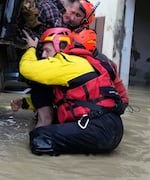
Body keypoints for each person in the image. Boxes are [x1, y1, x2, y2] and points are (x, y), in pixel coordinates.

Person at [19, 27, 125, 155]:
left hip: (99, 129)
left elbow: (27, 69)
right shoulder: (79, 63)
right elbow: (67, 101)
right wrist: (25, 103)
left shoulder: (66, 62)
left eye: (47, 50)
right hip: (108, 128)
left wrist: (31, 48)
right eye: (43, 51)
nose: (43, 55)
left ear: (61, 48)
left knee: (40, 137)